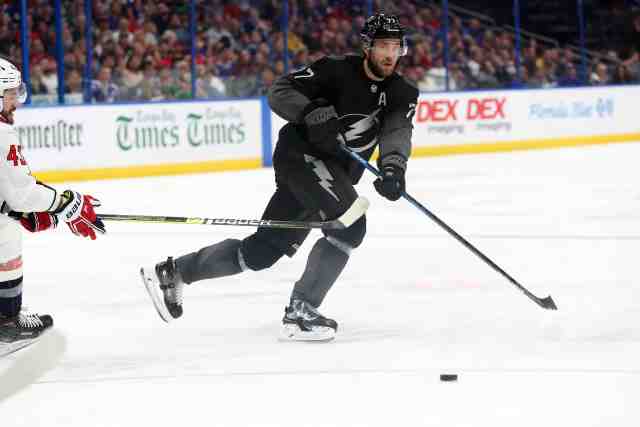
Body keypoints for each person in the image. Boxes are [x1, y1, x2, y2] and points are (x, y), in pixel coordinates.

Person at [140, 13, 418, 341]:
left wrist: (393, 168)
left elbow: (397, 130)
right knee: (352, 225)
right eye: (383, 45)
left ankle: (176, 272)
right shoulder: (335, 69)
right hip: (301, 158)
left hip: (333, 175)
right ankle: (301, 311)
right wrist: (311, 112)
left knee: (261, 252)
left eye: (395, 46)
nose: (389, 53)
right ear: (368, 46)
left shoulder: (403, 92)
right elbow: (280, 89)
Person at [0, 58, 106, 356]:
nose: (15, 102)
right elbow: (20, 191)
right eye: (10, 94)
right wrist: (64, 203)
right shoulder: (1, 131)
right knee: (6, 239)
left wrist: (19, 210)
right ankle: (6, 323)